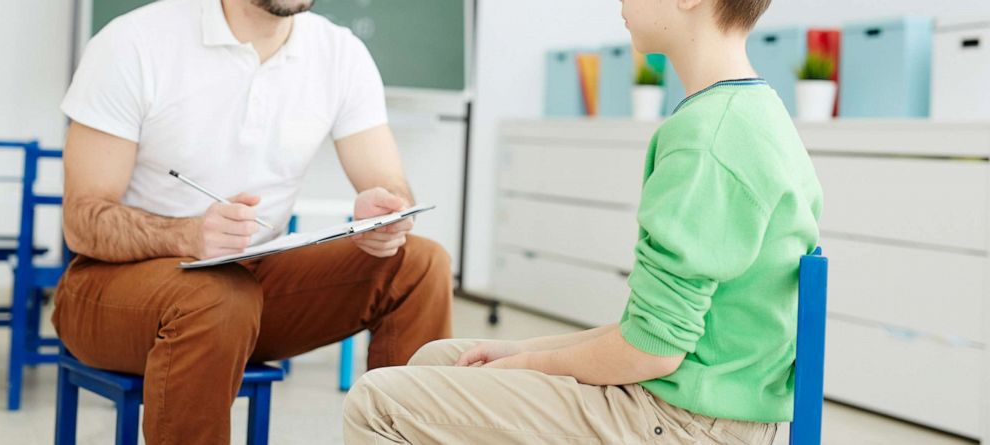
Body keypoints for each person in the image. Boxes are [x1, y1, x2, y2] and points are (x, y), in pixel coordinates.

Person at [343, 0, 822, 443]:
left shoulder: (706, 139)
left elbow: (652, 351)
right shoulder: (755, 113)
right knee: (437, 359)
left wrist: (536, 363)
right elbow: (647, 331)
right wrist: (519, 353)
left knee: (377, 402)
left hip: (683, 422)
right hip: (701, 402)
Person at [53, 0, 452, 443]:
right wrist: (188, 234)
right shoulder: (134, 42)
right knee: (219, 296)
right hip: (110, 287)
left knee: (419, 264)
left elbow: (389, 182)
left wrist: (387, 211)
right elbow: (82, 220)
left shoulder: (340, 53)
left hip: (248, 288)